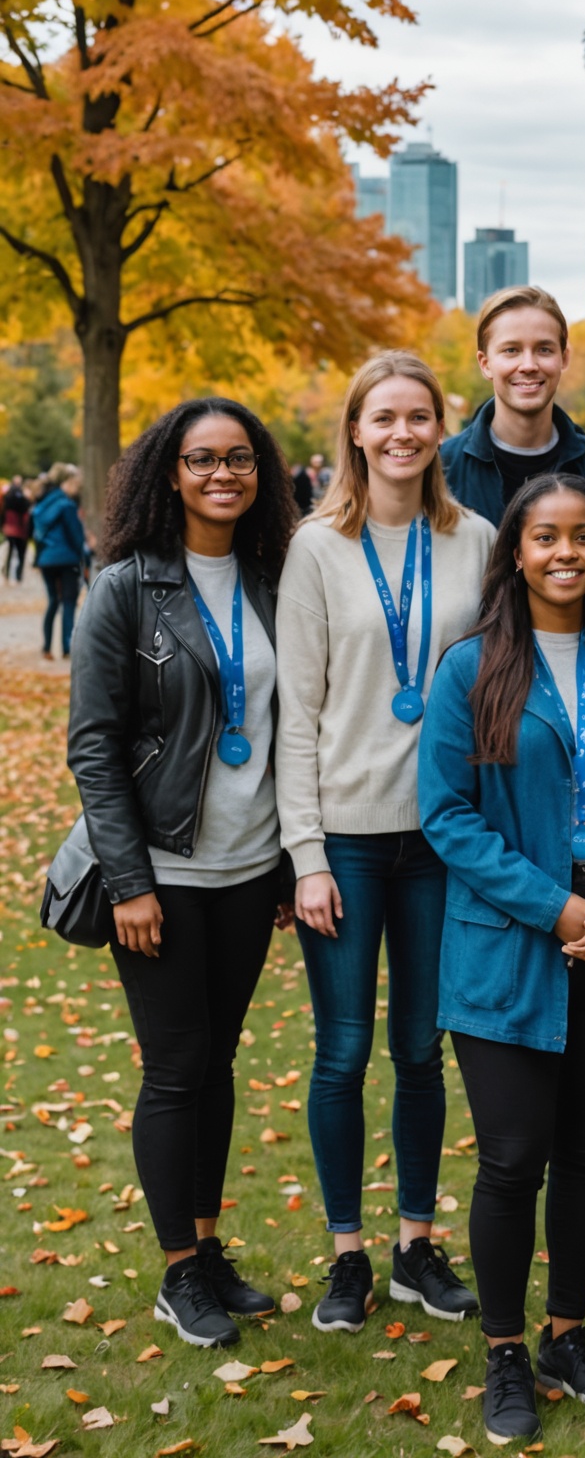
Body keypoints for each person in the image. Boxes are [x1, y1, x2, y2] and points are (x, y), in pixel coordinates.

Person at [418, 474, 585, 1446]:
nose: (566, 552)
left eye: (583, 536)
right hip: (508, 945)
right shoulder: (472, 669)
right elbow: (446, 816)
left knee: (583, 1153)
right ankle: (503, 1354)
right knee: (510, 1158)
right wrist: (558, 904)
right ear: (519, 553)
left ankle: (568, 1335)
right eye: (546, 538)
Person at [66, 399, 298, 1348]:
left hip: (249, 867)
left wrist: (289, 859)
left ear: (260, 471)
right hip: (160, 869)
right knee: (174, 1067)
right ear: (170, 472)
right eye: (202, 460)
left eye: (239, 458)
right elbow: (94, 745)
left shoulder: (274, 578)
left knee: (220, 1061)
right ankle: (175, 1273)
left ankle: (206, 1251)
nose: (221, 475)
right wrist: (129, 884)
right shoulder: (125, 586)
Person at [276, 351, 494, 1334]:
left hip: (441, 840)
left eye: (419, 416)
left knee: (419, 1050)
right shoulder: (316, 547)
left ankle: (414, 1243)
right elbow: (297, 713)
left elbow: (499, 689)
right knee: (343, 1052)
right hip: (351, 843)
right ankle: (347, 1255)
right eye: (383, 418)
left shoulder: (477, 540)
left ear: (439, 430)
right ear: (356, 432)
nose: (402, 433)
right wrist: (307, 855)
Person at [439, 285, 585, 527]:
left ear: (564, 358)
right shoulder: (443, 470)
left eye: (544, 350)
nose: (528, 365)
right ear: (485, 364)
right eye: (511, 350)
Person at [32, 464, 90, 658]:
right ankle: (67, 648)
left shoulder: (41, 505)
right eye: (75, 484)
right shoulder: (67, 505)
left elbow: (37, 534)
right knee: (69, 603)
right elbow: (76, 536)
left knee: (52, 602)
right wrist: (84, 555)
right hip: (67, 559)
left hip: (46, 559)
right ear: (67, 482)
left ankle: (46, 647)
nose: (77, 489)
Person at [3, 477, 31, 583]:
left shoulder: (7, 496)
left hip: (9, 527)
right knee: (20, 553)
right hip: (20, 528)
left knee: (10, 551)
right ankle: (18, 575)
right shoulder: (22, 497)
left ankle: (7, 574)